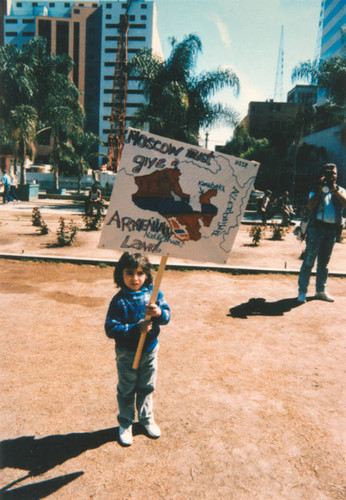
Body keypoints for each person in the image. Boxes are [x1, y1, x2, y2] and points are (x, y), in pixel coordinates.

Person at [105, 252, 171, 446]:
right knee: (126, 389)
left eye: (140, 273)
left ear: (147, 275)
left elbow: (167, 315)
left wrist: (158, 312)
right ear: (120, 275)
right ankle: (125, 423)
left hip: (149, 351)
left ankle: (146, 419)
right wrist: (135, 329)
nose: (135, 278)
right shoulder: (119, 301)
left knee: (146, 386)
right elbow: (110, 328)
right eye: (130, 273)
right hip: (127, 354)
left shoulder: (154, 293)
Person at [297, 163, 346, 303]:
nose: (331, 175)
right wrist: (319, 190)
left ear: (337, 175)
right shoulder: (316, 189)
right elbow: (310, 206)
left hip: (331, 230)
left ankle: (320, 290)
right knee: (309, 261)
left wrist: (334, 190)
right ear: (322, 174)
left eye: (334, 172)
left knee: (324, 263)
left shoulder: (341, 190)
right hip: (317, 228)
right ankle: (302, 292)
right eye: (328, 172)